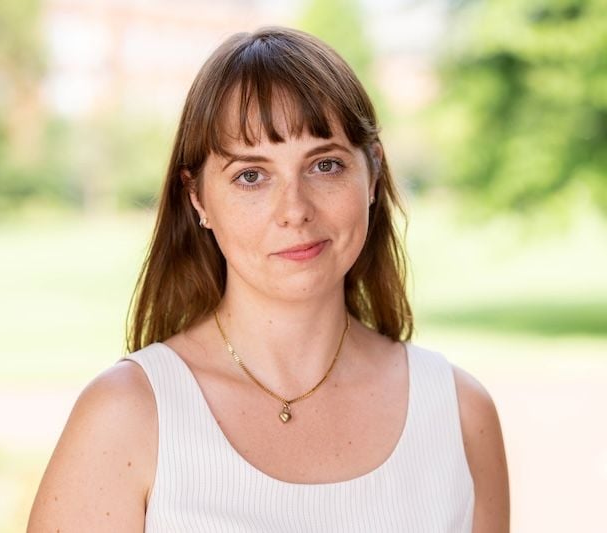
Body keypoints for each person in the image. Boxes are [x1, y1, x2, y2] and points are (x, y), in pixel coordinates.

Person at [28, 27, 510, 532]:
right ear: (198, 199)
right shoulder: (124, 416)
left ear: (372, 174)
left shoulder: (460, 414)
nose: (294, 210)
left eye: (325, 165)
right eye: (251, 176)